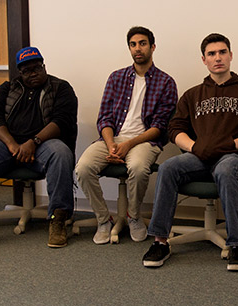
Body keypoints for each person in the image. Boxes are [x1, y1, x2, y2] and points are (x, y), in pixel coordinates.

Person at [141, 33, 238, 272]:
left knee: (225, 168)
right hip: (198, 157)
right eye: (211, 54)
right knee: (169, 167)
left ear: (230, 56)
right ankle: (159, 241)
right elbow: (175, 129)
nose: (217, 58)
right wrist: (194, 147)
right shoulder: (192, 95)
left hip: (234, 157)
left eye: (222, 52)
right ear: (204, 59)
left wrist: (231, 145)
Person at [0, 46, 77, 251]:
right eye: (27, 70)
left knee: (61, 154)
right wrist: (12, 144)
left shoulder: (61, 88)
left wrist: (33, 142)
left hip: (44, 144)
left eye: (37, 67)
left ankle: (58, 220)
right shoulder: (7, 88)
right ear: (20, 72)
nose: (33, 73)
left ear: (44, 66)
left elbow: (62, 122)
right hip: (8, 144)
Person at [75, 26, 178, 244]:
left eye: (142, 43)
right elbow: (104, 118)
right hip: (112, 138)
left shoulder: (166, 82)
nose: (137, 48)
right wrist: (112, 144)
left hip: (144, 140)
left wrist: (128, 145)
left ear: (152, 47)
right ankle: (103, 219)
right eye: (133, 44)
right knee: (83, 168)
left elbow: (160, 126)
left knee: (139, 169)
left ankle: (133, 216)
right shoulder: (116, 78)